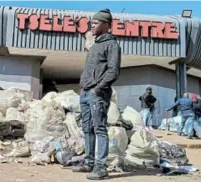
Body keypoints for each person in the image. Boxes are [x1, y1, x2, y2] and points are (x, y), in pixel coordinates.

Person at [74, 8, 121, 180]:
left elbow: (113, 71)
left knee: (100, 128)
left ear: (107, 25)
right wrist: (84, 87)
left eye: (96, 23)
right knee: (87, 128)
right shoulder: (95, 45)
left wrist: (98, 88)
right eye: (91, 23)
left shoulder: (112, 45)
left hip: (97, 94)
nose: (92, 26)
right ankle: (89, 162)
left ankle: (101, 167)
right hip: (85, 93)